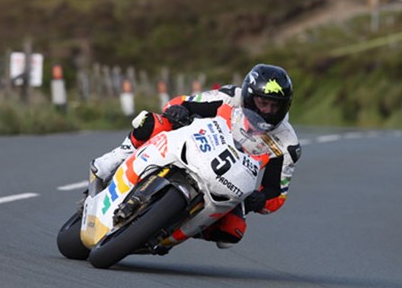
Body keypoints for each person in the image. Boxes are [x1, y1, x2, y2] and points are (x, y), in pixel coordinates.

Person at [91, 63, 302, 249]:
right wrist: (179, 111)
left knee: (231, 232)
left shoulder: (287, 143)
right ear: (248, 96)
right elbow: (183, 102)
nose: (267, 111)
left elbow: (277, 192)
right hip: (196, 147)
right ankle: (117, 157)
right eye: (262, 103)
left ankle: (176, 227)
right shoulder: (229, 97)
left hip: (230, 181)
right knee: (153, 122)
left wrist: (261, 200)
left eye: (275, 106)